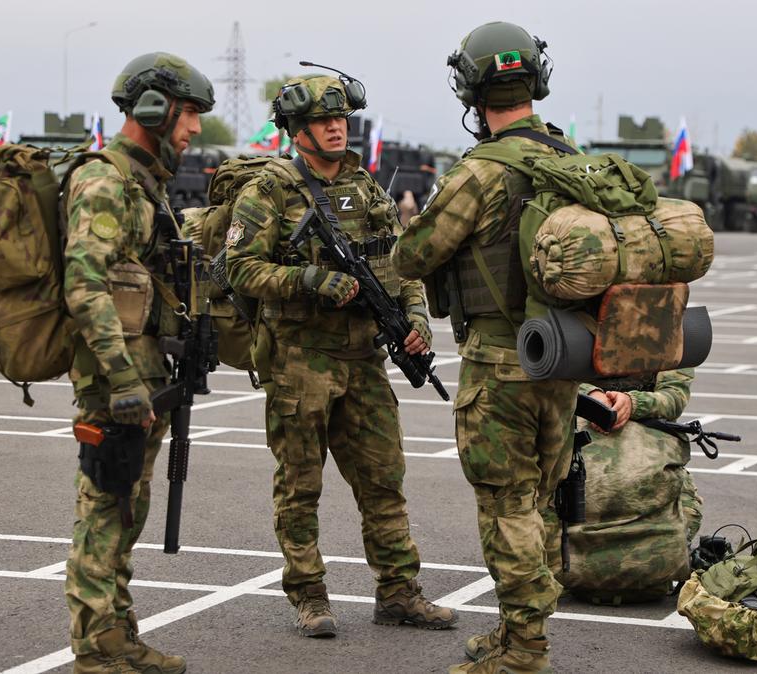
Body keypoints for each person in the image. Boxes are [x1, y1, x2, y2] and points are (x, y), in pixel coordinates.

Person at [225, 71, 457, 639]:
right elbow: (239, 269)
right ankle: (308, 595)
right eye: (323, 121)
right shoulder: (270, 190)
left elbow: (401, 264)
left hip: (363, 362)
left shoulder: (368, 188)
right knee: (300, 485)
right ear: (296, 129)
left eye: (340, 120)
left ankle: (399, 593)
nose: (336, 129)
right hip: (298, 360)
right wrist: (309, 279)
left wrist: (417, 321)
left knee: (384, 481)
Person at [392, 21, 578, 674]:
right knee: (533, 504)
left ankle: (524, 650)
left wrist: (408, 223)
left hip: (500, 367)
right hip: (562, 360)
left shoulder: (478, 172)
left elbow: (413, 256)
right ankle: (513, 631)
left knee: (505, 509)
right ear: (537, 79)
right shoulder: (570, 158)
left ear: (471, 90)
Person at [64, 52, 214, 674]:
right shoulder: (105, 179)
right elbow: (84, 280)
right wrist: (121, 377)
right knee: (105, 510)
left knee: (129, 509)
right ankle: (95, 650)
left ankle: (118, 636)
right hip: (117, 381)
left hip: (147, 377)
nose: (196, 129)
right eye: (189, 116)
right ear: (154, 109)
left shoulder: (143, 182)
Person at [580, 367, 703, 544]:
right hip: (580, 447)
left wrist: (633, 403)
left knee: (686, 516)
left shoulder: (670, 341)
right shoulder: (568, 339)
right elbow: (544, 378)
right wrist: (590, 396)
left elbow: (674, 396)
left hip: (647, 450)